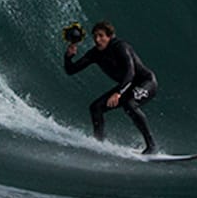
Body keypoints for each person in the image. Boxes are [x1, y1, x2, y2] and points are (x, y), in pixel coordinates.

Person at [64, 20, 158, 154]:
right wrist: (68, 57)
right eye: (95, 36)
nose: (97, 39)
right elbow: (71, 70)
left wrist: (119, 93)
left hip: (145, 82)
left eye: (101, 36)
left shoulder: (120, 47)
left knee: (130, 104)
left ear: (110, 36)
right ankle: (98, 143)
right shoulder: (95, 54)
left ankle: (151, 146)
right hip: (127, 86)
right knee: (96, 107)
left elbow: (130, 72)